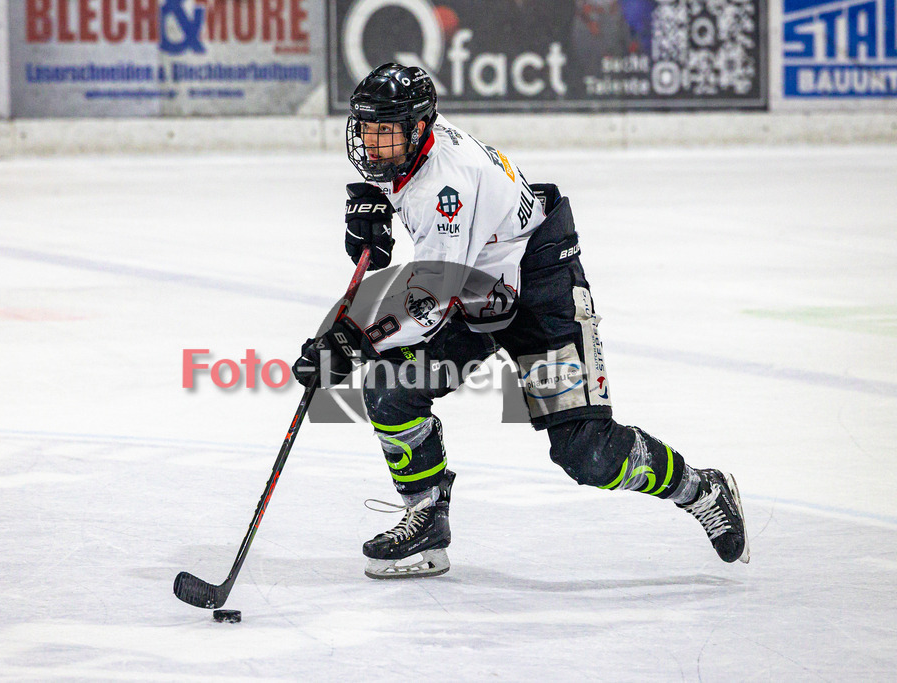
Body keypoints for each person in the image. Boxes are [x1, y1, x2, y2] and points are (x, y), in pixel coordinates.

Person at [292, 63, 749, 579]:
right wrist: (376, 208)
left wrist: (353, 340)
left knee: (587, 452)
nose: (373, 144)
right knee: (390, 386)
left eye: (385, 131)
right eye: (368, 129)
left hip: (538, 290)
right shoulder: (416, 151)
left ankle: (701, 489)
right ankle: (426, 520)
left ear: (419, 127)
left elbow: (429, 302)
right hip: (479, 286)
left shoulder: (447, 186)